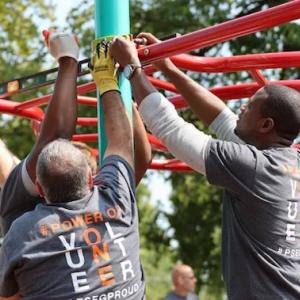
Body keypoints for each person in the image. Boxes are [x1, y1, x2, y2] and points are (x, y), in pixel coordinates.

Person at [110, 35, 300, 299]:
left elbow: (169, 127)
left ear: (266, 126)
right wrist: (168, 68)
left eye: (250, 106)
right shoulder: (286, 162)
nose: (242, 108)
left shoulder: (255, 168)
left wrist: (132, 68)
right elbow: (222, 119)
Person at [0, 32, 149, 299]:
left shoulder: (22, 231)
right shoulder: (115, 202)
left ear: (40, 187)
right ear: (92, 180)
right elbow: (130, 150)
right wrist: (117, 83)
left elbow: (57, 137)